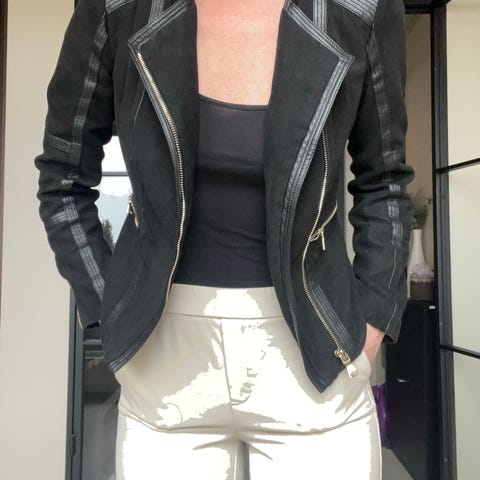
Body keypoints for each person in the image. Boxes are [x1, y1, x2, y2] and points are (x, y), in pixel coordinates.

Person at [34, 0, 415, 478]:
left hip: (316, 352)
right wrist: (109, 308)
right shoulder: (118, 7)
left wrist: (374, 319)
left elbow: (385, 181)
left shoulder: (360, 7)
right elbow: (63, 178)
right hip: (163, 364)